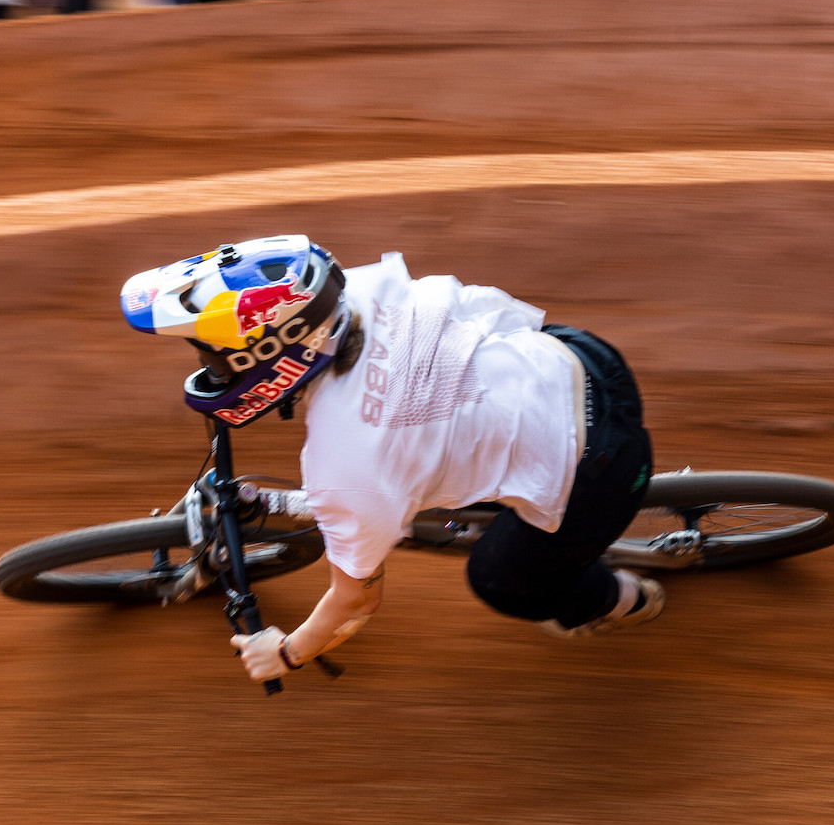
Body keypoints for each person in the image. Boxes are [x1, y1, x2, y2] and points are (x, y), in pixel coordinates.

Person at [117, 236, 662, 683]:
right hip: (581, 359)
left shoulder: (346, 459)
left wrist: (285, 654)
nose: (209, 365)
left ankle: (623, 599)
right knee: (419, 457)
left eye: (213, 353)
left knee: (501, 581)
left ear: (273, 353)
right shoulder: (354, 291)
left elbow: (354, 602)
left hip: (601, 464)